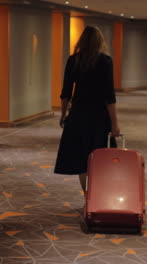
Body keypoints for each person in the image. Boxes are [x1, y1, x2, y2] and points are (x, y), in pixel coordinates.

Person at [54, 26, 120, 192]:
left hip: (78, 114)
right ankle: (97, 194)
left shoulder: (73, 60)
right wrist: (114, 124)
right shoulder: (105, 61)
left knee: (81, 156)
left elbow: (66, 93)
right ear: (100, 42)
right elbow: (109, 96)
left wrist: (63, 115)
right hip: (99, 116)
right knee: (99, 155)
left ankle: (87, 194)